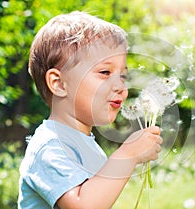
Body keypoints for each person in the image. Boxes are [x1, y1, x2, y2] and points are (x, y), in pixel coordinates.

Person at [18, 11, 162, 209]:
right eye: (105, 72)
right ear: (59, 84)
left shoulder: (84, 144)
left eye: (122, 76)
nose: (120, 86)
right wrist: (129, 154)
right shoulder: (49, 146)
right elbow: (83, 205)